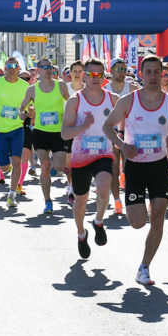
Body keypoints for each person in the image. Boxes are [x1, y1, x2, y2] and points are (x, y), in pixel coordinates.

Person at [102, 55, 168, 286]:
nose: (152, 76)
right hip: (135, 167)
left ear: (163, 74)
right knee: (138, 222)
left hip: (160, 166)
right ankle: (140, 209)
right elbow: (107, 126)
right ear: (141, 74)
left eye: (156, 71)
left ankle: (144, 267)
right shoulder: (128, 102)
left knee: (158, 218)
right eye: (148, 72)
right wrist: (122, 145)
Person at [61, 58, 116, 258]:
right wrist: (83, 126)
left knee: (103, 189)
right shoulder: (75, 100)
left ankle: (99, 221)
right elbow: (65, 134)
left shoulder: (113, 99)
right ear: (83, 76)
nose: (95, 78)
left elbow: (128, 124)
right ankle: (81, 233)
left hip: (104, 153)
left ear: (103, 76)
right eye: (91, 74)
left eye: (99, 74)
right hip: (80, 157)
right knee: (80, 200)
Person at [20, 58, 70, 213]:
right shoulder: (32, 89)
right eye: (45, 67)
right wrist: (23, 114)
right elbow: (22, 108)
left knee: (59, 166)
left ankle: (53, 162)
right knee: (45, 167)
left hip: (59, 132)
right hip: (41, 132)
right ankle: (48, 201)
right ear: (38, 70)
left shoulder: (61, 86)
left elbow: (71, 103)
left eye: (51, 67)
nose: (48, 69)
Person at [0, 58, 30, 207]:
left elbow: (30, 106)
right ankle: (3, 167)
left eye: (14, 66)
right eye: (9, 66)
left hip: (17, 128)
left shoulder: (25, 86)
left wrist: (26, 113)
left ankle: (12, 194)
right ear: (5, 68)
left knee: (17, 162)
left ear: (19, 68)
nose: (11, 69)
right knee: (4, 167)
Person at [106, 58, 138, 215]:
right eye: (118, 69)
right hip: (111, 133)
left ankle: (128, 191)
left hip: (129, 133)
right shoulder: (105, 89)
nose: (121, 72)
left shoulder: (132, 87)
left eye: (124, 69)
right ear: (111, 70)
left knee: (129, 167)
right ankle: (117, 201)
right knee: (113, 169)